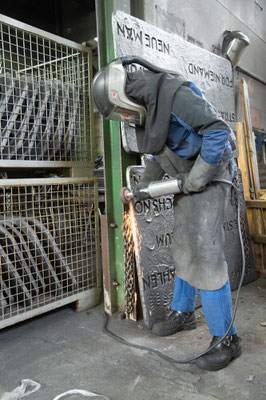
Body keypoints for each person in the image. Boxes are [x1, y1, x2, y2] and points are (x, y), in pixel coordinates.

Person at [92, 59, 241, 371]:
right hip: (187, 178)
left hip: (212, 172)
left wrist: (198, 177)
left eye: (123, 111)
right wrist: (143, 187)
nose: (126, 117)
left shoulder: (176, 95)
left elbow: (218, 132)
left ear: (126, 95)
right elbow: (160, 151)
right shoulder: (149, 109)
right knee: (183, 246)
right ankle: (184, 313)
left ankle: (227, 338)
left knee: (205, 253)